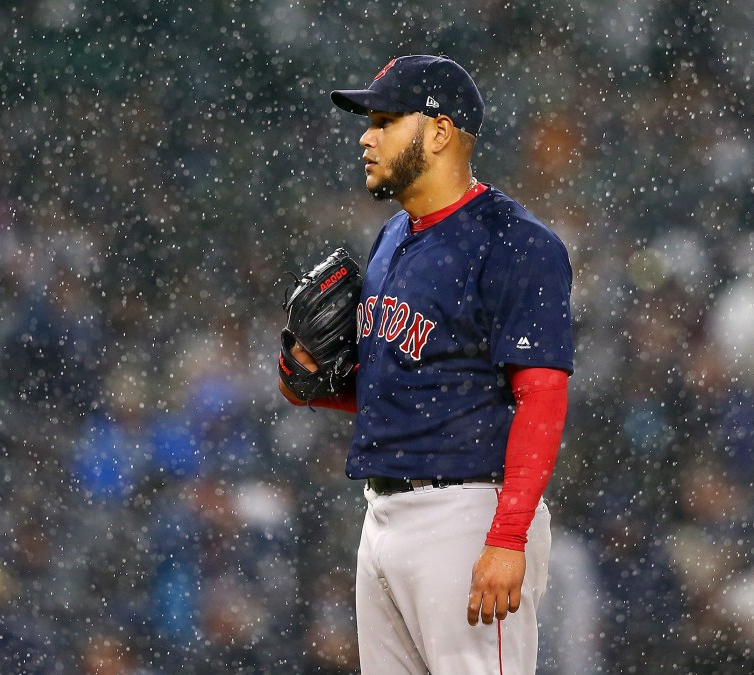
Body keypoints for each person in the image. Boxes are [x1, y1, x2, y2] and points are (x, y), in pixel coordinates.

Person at [278, 55, 574, 674]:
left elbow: (542, 397)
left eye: (385, 120)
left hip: (466, 515)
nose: (367, 136)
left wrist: (507, 536)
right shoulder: (393, 236)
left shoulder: (516, 242)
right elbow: (407, 385)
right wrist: (313, 384)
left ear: (439, 133)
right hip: (383, 515)